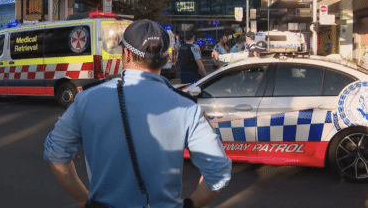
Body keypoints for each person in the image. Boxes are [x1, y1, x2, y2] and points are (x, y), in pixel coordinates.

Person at [43, 20, 232, 208]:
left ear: (126, 53)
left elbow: (55, 151)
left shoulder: (88, 98)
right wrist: (190, 205)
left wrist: (84, 199)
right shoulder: (187, 108)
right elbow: (218, 171)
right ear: (166, 57)